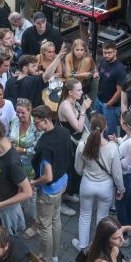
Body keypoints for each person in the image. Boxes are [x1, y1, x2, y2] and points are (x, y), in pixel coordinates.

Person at [30, 104, 73, 262]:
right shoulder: (64, 132)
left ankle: (46, 261)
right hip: (62, 183)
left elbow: (47, 176)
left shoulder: (45, 145)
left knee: (44, 225)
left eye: (37, 122)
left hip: (48, 191)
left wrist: (33, 183)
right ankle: (54, 254)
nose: (35, 125)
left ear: (46, 120)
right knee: (56, 219)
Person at [72, 114, 124, 254]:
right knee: (102, 218)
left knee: (84, 215)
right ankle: (98, 247)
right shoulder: (113, 147)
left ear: (90, 127)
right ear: (105, 127)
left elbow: (78, 168)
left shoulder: (82, 145)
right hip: (105, 186)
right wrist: (121, 188)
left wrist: (86, 173)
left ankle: (83, 247)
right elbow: (117, 173)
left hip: (87, 184)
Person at [8, 98, 42, 234]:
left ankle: (36, 223)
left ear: (30, 110)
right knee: (18, 191)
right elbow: (10, 138)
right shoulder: (15, 121)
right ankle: (19, 215)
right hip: (16, 165)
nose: (19, 115)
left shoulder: (36, 126)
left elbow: (39, 148)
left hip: (31, 167)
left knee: (32, 197)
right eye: (17, 112)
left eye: (22, 113)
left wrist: (21, 150)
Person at [57, 77, 92, 207]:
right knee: (67, 171)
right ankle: (60, 203)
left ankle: (68, 194)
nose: (81, 92)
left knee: (73, 170)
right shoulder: (66, 106)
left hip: (75, 142)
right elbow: (78, 127)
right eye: (79, 90)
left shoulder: (75, 101)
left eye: (81, 89)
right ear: (70, 92)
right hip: (68, 144)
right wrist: (83, 111)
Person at [94, 42, 127, 137]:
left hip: (110, 106)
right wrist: (96, 73)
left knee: (110, 132)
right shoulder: (104, 61)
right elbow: (99, 70)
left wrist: (109, 104)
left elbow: (120, 91)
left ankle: (111, 149)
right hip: (99, 100)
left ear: (115, 52)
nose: (107, 55)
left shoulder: (119, 69)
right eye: (105, 52)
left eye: (109, 52)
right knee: (98, 125)